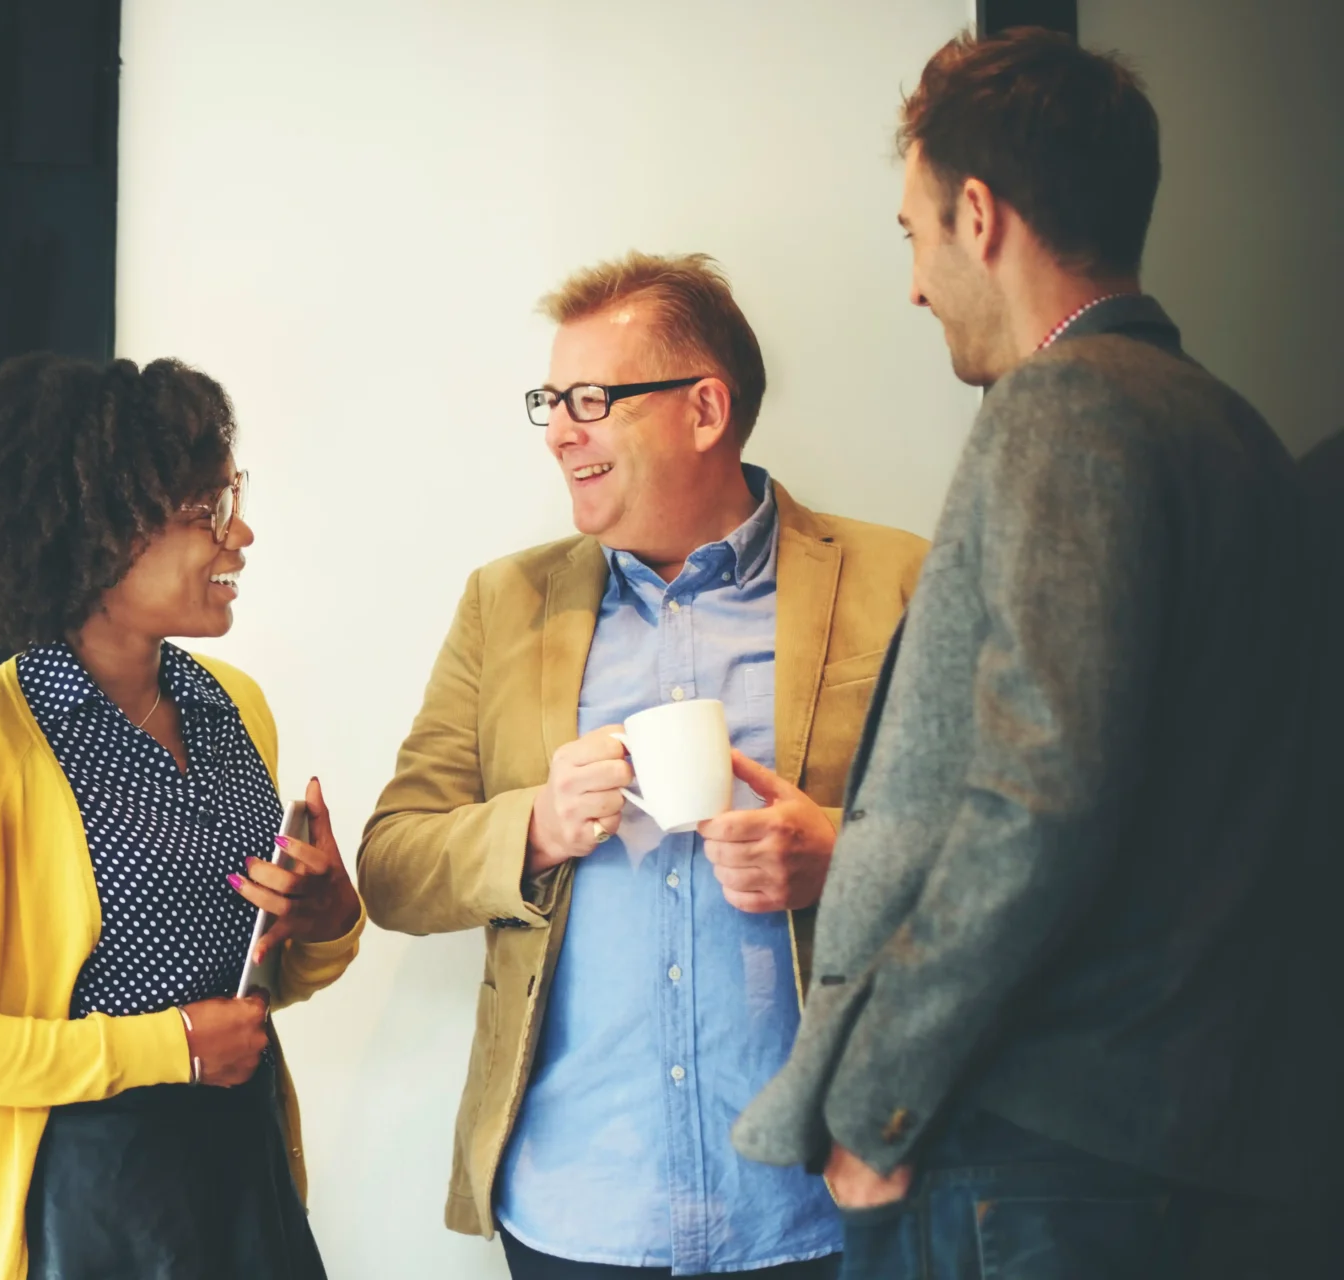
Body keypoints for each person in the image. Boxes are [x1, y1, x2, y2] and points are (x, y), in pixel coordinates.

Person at [731, 29, 1327, 1280]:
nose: (911, 281)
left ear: (980, 215)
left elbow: (1034, 798)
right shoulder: (1241, 438)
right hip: (1199, 1141)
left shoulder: (1066, 408)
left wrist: (880, 1100)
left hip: (1033, 1160)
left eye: (912, 233)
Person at [360, 252, 926, 1280]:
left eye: (590, 398)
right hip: (577, 1208)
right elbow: (392, 863)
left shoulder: (898, 579)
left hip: (815, 1202)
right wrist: (532, 823)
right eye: (550, 399)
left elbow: (1004, 849)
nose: (557, 430)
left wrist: (841, 854)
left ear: (704, 408)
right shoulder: (505, 603)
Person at [0, 353, 364, 1280]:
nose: (240, 533)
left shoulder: (236, 707)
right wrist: (166, 1045)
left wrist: (327, 920)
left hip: (245, 1168)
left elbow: (255, 985)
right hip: (92, 1198)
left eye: (231, 499)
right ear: (98, 536)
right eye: (203, 513)